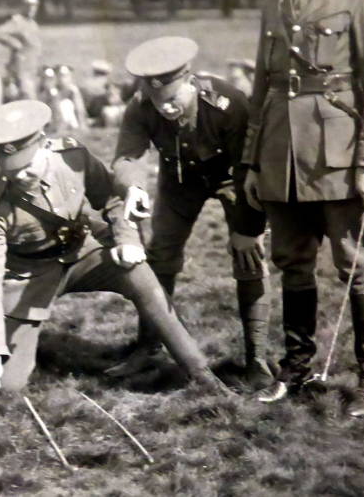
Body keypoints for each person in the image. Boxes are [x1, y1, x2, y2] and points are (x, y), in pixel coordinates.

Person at [243, 0, 364, 417]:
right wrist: (250, 162)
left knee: (356, 264)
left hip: (340, 153)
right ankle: (296, 368)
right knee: (292, 264)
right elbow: (262, 85)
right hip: (281, 154)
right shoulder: (273, 1)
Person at [0, 100, 232, 395]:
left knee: (139, 273)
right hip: (30, 276)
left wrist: (127, 239)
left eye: (27, 166)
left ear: (43, 145)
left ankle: (200, 373)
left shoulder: (72, 157)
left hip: (82, 252)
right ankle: (0, 359)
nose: (20, 176)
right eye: (11, 169)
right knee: (8, 386)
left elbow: (113, 199)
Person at [110, 37, 273, 390]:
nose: (165, 109)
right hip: (179, 178)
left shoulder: (228, 103)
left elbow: (249, 166)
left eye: (172, 100)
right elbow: (127, 156)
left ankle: (256, 358)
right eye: (157, 101)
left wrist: (249, 226)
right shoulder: (140, 107)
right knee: (161, 255)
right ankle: (149, 347)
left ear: (189, 81)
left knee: (249, 256)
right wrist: (133, 186)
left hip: (233, 178)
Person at [0, 0, 42, 101]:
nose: (31, 8)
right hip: (22, 70)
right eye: (28, 5)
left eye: (34, 5)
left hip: (33, 70)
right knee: (28, 101)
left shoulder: (33, 24)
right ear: (23, 6)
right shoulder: (18, 21)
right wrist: (13, 42)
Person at [54, 65, 87, 131]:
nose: (63, 79)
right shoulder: (53, 90)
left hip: (72, 121)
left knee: (67, 104)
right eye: (60, 76)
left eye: (66, 76)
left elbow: (79, 109)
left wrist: (82, 124)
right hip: (57, 120)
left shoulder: (73, 90)